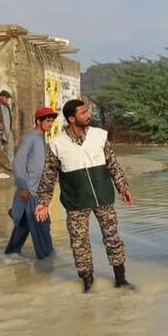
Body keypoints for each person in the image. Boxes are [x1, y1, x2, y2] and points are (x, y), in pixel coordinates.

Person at [34, 100, 133, 292]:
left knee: (113, 238)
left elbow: (113, 165)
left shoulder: (100, 136)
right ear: (72, 118)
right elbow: (48, 175)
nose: (88, 115)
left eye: (88, 111)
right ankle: (88, 283)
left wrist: (123, 188)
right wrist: (43, 203)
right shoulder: (56, 144)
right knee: (79, 243)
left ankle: (121, 280)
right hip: (75, 201)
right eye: (83, 112)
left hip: (103, 197)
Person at [5, 107, 56, 260]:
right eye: (47, 121)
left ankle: (10, 256)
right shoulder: (30, 138)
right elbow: (18, 163)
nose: (50, 124)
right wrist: (23, 188)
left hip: (36, 192)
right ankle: (47, 263)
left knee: (23, 226)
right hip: (30, 192)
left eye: (52, 121)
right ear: (38, 121)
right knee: (42, 227)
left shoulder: (41, 139)